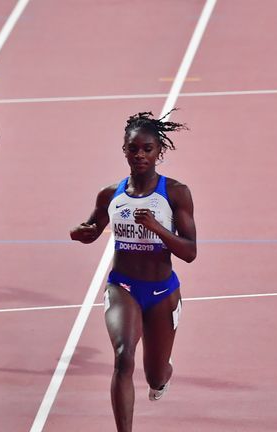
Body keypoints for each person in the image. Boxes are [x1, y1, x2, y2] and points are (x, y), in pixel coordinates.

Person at [70, 110, 196, 432]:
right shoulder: (110, 195)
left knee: (154, 373)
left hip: (162, 293)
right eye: (133, 148)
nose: (140, 155)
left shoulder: (175, 193)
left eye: (147, 149)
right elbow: (92, 227)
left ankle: (162, 375)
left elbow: (190, 252)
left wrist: (156, 228)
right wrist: (80, 233)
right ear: (124, 150)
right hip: (122, 287)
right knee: (124, 356)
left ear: (159, 152)